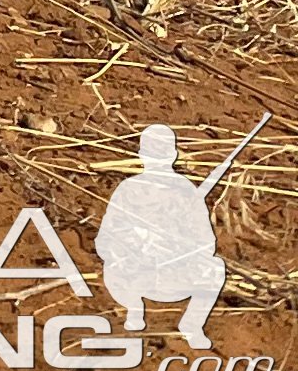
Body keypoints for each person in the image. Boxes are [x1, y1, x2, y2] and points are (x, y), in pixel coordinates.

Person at [97, 124, 226, 349]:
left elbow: (206, 245)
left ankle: (192, 325)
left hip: (172, 274)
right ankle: (134, 311)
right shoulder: (129, 189)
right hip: (135, 275)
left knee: (214, 268)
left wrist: (177, 248)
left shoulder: (186, 191)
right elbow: (105, 241)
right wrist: (137, 245)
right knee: (115, 263)